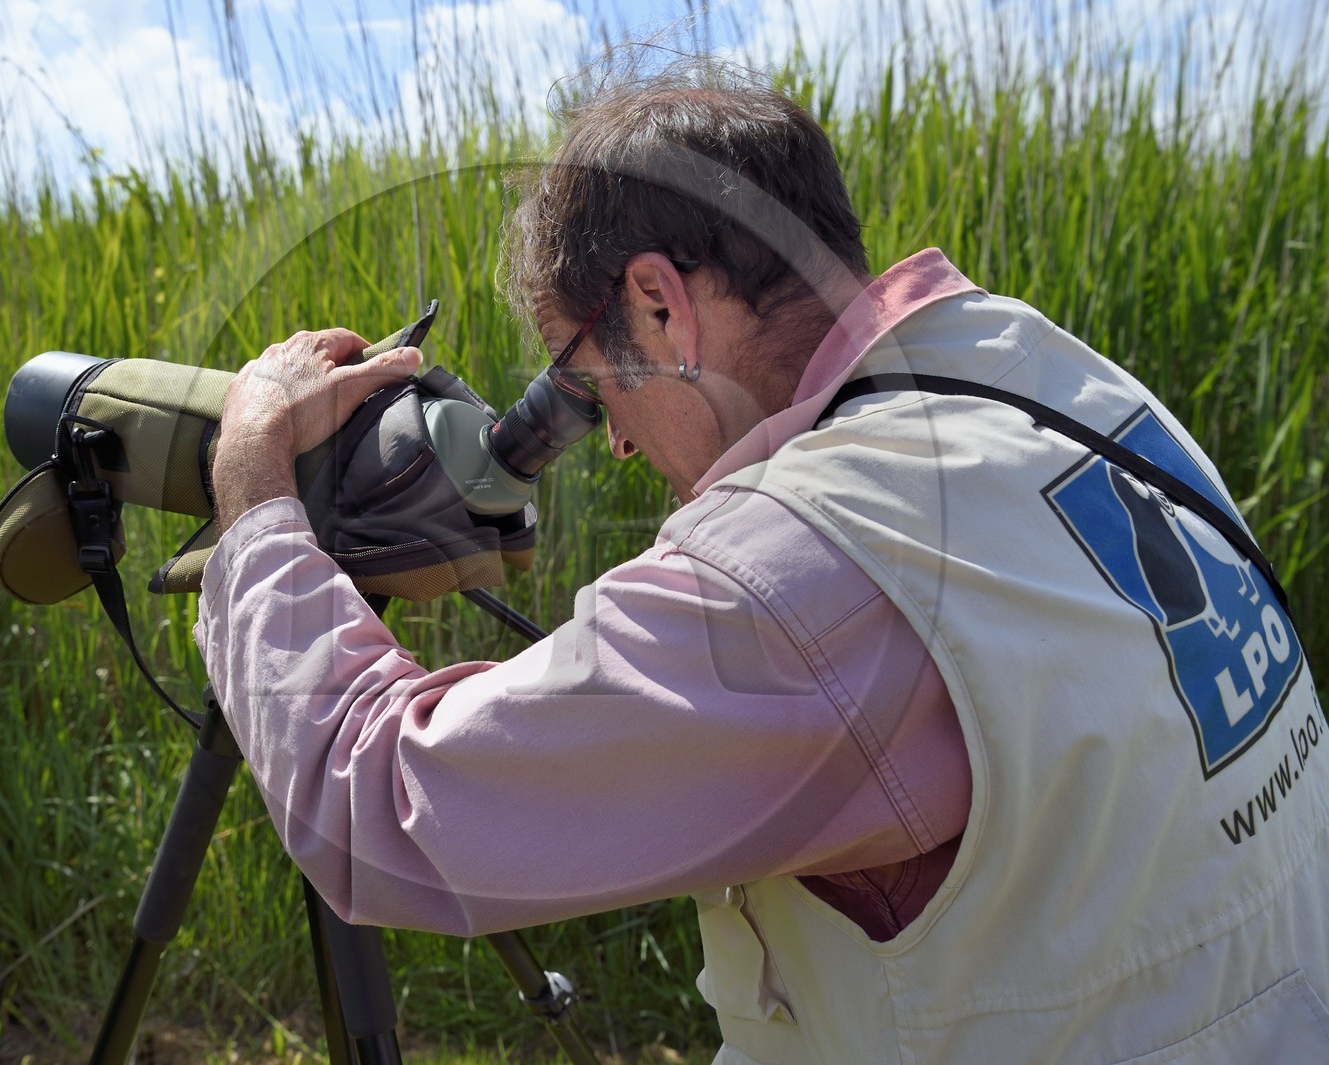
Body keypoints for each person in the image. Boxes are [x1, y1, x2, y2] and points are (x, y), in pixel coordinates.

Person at [197, 64, 1329, 1063]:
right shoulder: (1054, 379)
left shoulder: (802, 572)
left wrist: (252, 481)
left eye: (584, 390)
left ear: (658, 302)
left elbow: (381, 805)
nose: (623, 442)